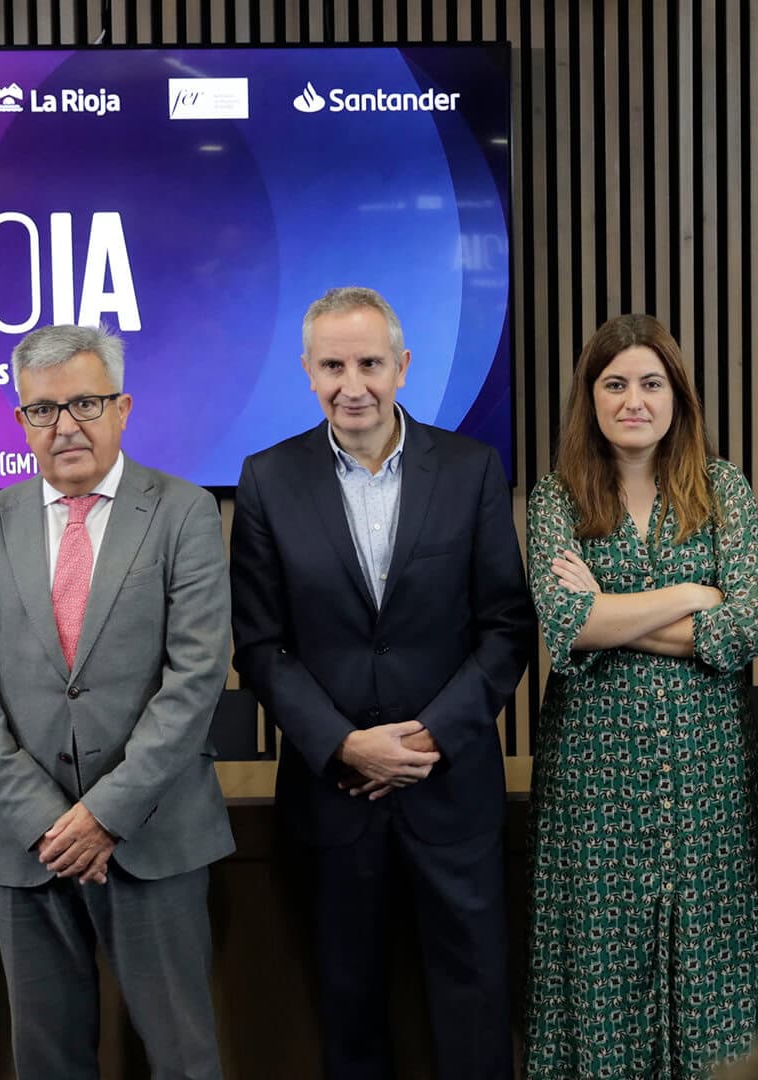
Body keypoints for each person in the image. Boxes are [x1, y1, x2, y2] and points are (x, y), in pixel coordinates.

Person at [230, 286, 535, 1079]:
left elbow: (506, 627)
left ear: (403, 366)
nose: (351, 383)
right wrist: (344, 745)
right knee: (350, 1016)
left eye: (369, 362)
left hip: (452, 791)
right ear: (306, 371)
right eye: (332, 365)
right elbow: (261, 646)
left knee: (474, 1017)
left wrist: (434, 733)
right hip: (334, 799)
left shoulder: (470, 470)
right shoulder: (267, 479)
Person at [0, 323, 233, 1079]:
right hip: (23, 845)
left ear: (124, 408)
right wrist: (47, 820)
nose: (65, 426)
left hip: (154, 836)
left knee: (183, 1057)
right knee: (46, 1061)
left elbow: (195, 678)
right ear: (20, 421)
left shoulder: (184, 512)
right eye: (43, 410)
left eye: (86, 403)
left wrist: (105, 815)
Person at [523, 313, 758, 1077]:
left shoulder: (723, 486)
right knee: (601, 967)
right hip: (592, 783)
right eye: (614, 384)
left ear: (677, 394)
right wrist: (688, 592)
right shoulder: (557, 498)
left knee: (719, 973)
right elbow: (564, 624)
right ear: (590, 396)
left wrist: (610, 612)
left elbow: (741, 632)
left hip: (709, 778)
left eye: (649, 382)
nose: (632, 399)